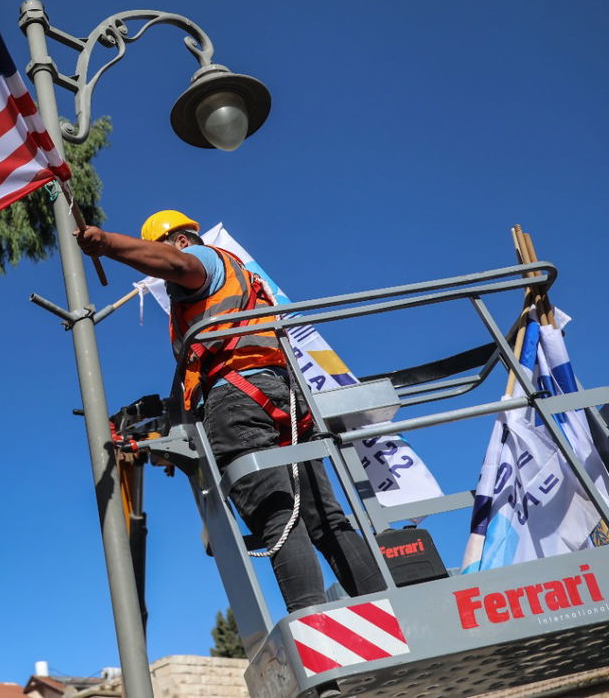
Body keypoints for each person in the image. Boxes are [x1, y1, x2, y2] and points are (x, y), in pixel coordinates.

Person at [75, 209, 385, 612]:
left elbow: (177, 264)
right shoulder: (241, 280)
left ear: (182, 240)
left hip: (239, 401)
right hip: (283, 396)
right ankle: (388, 609)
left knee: (278, 518)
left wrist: (106, 243)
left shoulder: (202, 261)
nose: (162, 275)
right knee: (326, 521)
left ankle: (318, 631)